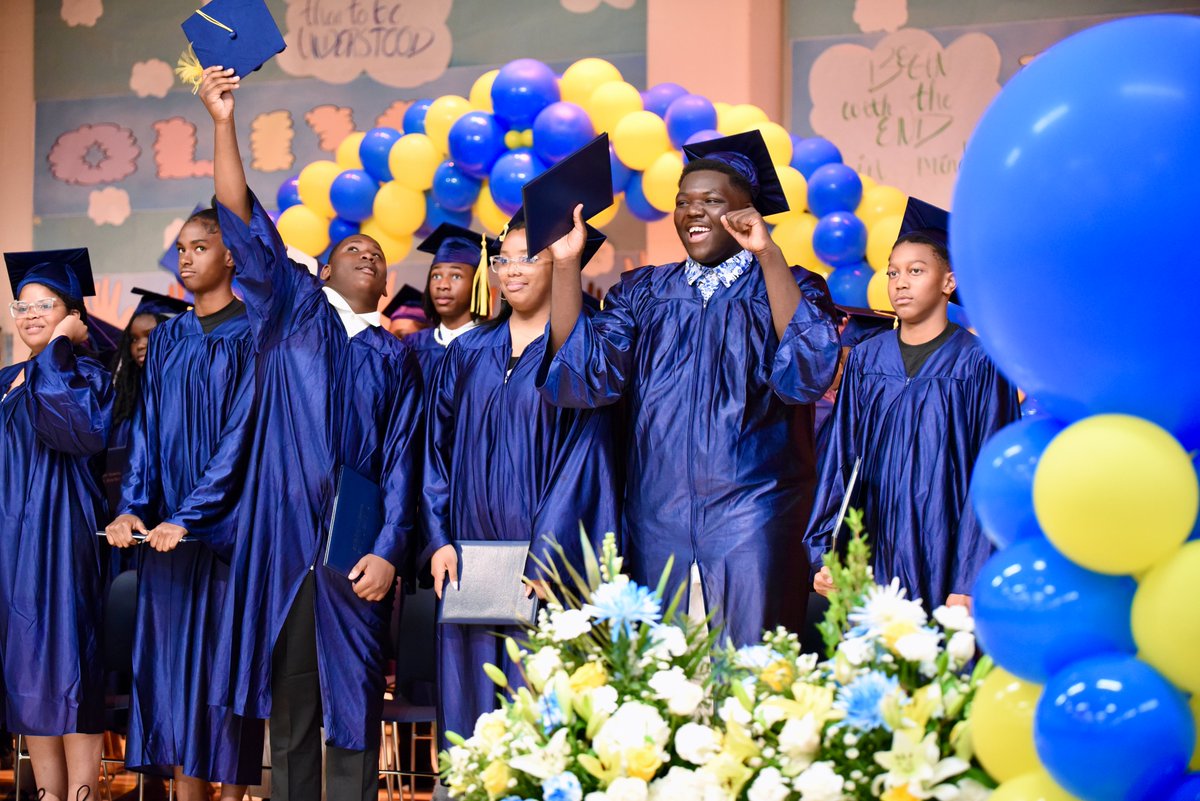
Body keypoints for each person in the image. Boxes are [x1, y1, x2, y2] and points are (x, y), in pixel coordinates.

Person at [198, 65, 423, 801]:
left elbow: (402, 465)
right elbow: (238, 212)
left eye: (378, 257)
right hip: (284, 545)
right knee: (293, 707)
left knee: (354, 709)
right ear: (320, 269)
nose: (368, 255)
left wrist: (389, 551)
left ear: (386, 288)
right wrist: (224, 120)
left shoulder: (396, 356)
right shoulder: (294, 312)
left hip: (354, 550)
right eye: (353, 250)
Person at [538, 130, 840, 646]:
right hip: (658, 518)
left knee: (751, 676)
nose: (692, 211)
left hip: (755, 515)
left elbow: (808, 374)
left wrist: (770, 257)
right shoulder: (643, 292)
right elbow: (583, 376)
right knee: (663, 680)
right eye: (683, 202)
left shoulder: (794, 286)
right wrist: (567, 266)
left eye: (712, 201)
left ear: (747, 213)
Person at [424, 204, 618, 747]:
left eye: (528, 258)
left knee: (540, 718)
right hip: (469, 559)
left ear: (559, 262)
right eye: (503, 259)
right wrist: (439, 540)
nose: (511, 270)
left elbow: (588, 462)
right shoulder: (465, 352)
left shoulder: (584, 354)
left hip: (546, 567)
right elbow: (435, 453)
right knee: (469, 716)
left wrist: (551, 556)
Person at [105, 208, 263, 800]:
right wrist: (132, 507)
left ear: (230, 256)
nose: (186, 256)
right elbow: (145, 432)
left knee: (220, 680)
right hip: (167, 542)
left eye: (200, 245)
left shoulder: (254, 334)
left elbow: (240, 441)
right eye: (181, 247)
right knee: (172, 680)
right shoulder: (168, 338)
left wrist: (188, 516)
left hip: (227, 538)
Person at [804, 198, 1020, 610]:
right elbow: (839, 461)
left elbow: (990, 473)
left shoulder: (979, 362)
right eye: (893, 272)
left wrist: (970, 579)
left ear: (949, 281)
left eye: (916, 271)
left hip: (944, 546)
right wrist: (825, 551)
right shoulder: (867, 358)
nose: (900, 282)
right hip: (870, 548)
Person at [0, 248, 112, 801]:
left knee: (70, 663)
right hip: (11, 542)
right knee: (26, 668)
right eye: (22, 306)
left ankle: (82, 793)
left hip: (65, 539)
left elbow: (75, 432)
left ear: (72, 314)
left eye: (46, 306)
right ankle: (46, 794)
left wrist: (61, 347)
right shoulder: (4, 382)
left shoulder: (86, 374)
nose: (30, 315)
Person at [103, 288, 191, 575]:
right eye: (134, 338)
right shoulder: (121, 397)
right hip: (125, 520)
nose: (141, 345)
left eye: (150, 335)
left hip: (170, 521)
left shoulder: (185, 397)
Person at [403, 223, 493, 386]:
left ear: (476, 283)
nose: (442, 284)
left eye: (456, 276)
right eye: (436, 276)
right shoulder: (412, 346)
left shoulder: (494, 346)